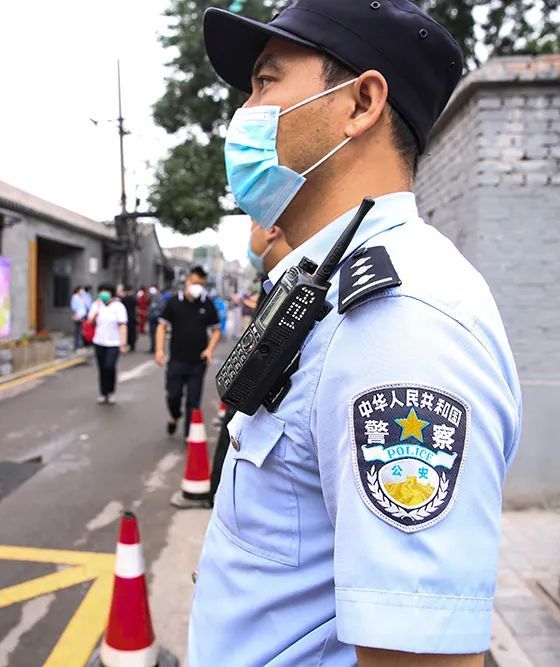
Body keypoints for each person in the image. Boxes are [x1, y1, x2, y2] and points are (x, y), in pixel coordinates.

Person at [190, 2, 522, 666]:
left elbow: (418, 657)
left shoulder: (399, 323)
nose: (245, 114)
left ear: (360, 103)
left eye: (266, 81)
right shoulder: (328, 284)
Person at [208, 221, 294, 506]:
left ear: (271, 230)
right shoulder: (273, 281)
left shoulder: (291, 286)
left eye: (252, 226)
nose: (251, 236)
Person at [155, 266, 220, 441]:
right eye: (195, 282)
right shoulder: (173, 302)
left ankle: (188, 434)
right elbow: (162, 326)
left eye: (202, 284)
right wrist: (160, 350)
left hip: (197, 362)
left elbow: (216, 330)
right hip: (176, 360)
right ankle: (174, 416)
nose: (198, 287)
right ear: (187, 281)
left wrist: (209, 349)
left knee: (193, 400)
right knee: (173, 395)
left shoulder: (207, 304)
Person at [86, 284, 128, 404]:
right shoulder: (96, 305)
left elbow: (122, 325)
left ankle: (110, 391)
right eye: (101, 292)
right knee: (102, 368)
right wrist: (96, 313)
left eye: (106, 292)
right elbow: (90, 322)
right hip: (99, 341)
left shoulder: (118, 307)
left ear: (111, 293)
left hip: (113, 343)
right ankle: (103, 393)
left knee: (109, 367)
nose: (103, 294)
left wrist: (123, 344)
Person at [119, 285, 139, 351]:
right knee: (132, 332)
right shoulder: (133, 299)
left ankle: (126, 344)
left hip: (125, 317)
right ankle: (132, 345)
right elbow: (136, 308)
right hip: (132, 317)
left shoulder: (123, 299)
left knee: (126, 331)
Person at [69, 286, 88, 350]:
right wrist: (78, 315)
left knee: (82, 330)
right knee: (78, 331)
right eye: (81, 290)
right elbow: (74, 307)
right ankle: (77, 345)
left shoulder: (82, 297)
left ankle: (80, 345)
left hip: (83, 315)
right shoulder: (75, 297)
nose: (83, 291)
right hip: (78, 316)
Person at [145, 286, 161, 353]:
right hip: (153, 319)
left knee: (154, 335)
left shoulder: (157, 299)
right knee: (153, 335)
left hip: (155, 319)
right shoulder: (155, 298)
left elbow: (157, 309)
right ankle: (153, 348)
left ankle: (154, 348)